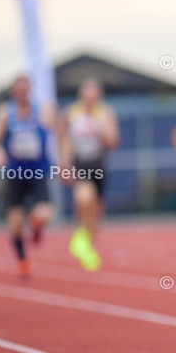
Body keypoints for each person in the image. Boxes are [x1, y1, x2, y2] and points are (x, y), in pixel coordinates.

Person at [0, 75, 56, 279]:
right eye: (19, 89)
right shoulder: (6, 113)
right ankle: (23, 260)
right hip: (15, 173)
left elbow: (58, 132)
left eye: (26, 89)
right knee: (15, 223)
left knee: (45, 213)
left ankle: (36, 225)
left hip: (38, 171)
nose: (23, 93)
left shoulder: (41, 110)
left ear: (30, 90)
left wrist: (63, 157)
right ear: (13, 92)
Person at [57, 78, 119, 271]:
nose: (90, 100)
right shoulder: (71, 113)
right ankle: (80, 237)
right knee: (85, 200)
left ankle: (87, 245)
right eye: (87, 96)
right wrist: (65, 164)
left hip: (98, 165)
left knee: (96, 211)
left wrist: (101, 131)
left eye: (94, 96)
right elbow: (64, 140)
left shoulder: (105, 113)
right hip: (80, 164)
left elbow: (113, 143)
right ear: (81, 97)